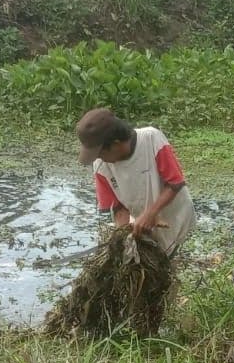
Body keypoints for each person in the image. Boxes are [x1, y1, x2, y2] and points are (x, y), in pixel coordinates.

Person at [76, 108, 195, 257]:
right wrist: (125, 232)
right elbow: (118, 208)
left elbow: (175, 183)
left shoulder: (151, 140)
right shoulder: (100, 166)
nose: (99, 158)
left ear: (116, 143)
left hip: (176, 217)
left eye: (101, 153)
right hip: (144, 223)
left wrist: (151, 213)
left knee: (175, 262)